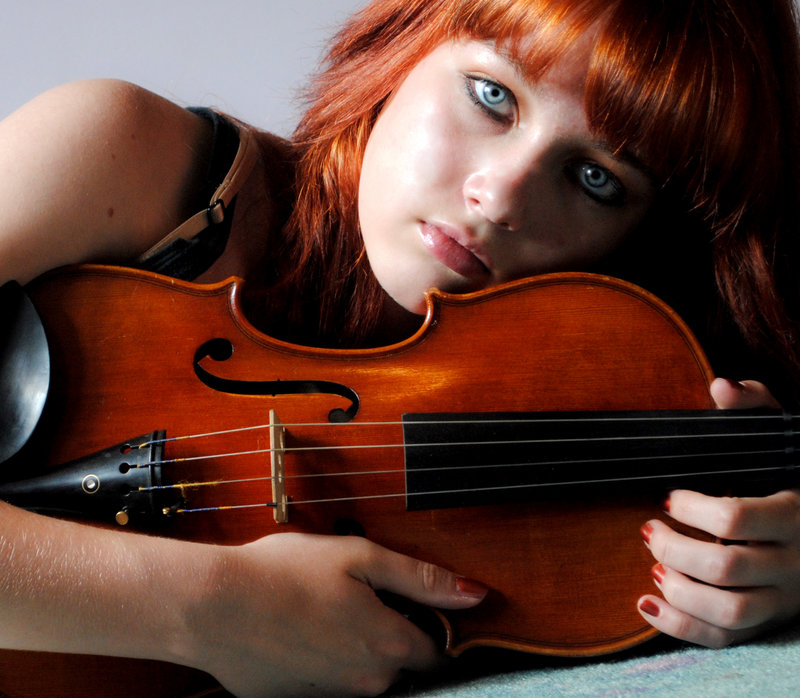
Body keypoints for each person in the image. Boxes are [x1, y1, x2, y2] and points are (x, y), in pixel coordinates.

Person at [1, 0, 800, 695]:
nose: (500, 196)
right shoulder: (130, 159)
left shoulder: (601, 372)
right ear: (403, 46)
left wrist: (757, 544)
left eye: (595, 180)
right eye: (491, 96)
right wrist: (212, 607)